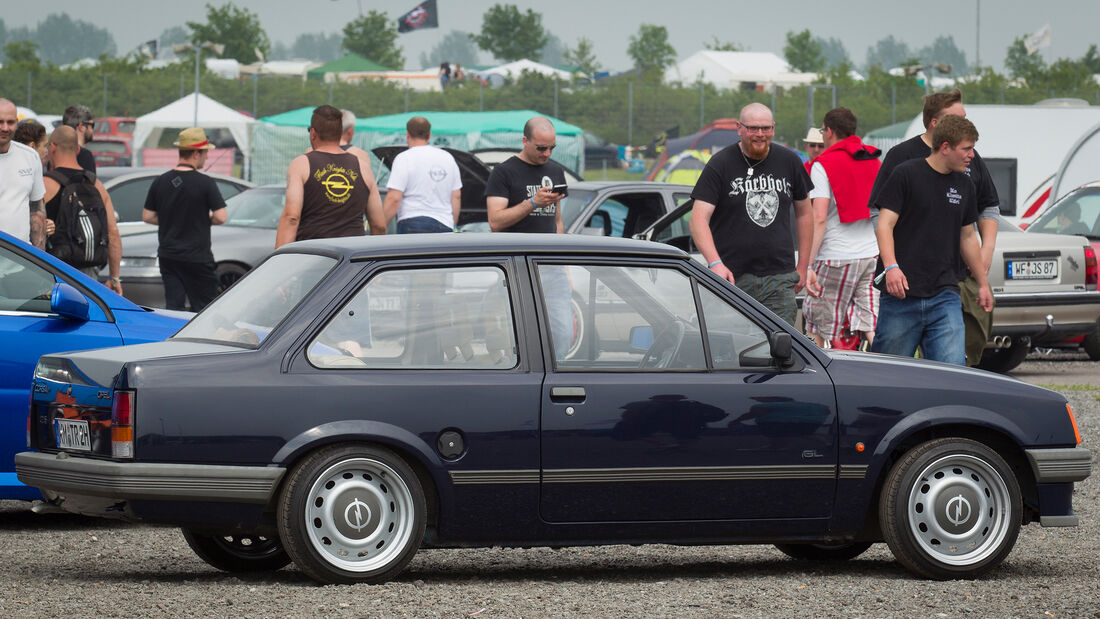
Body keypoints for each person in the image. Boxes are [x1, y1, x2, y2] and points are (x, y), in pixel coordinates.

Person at [869, 89, 999, 367]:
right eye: (966, 149)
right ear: (945, 146)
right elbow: (883, 222)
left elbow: (967, 235)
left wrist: (983, 282)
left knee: (953, 373)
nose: (972, 156)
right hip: (901, 294)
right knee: (888, 374)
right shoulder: (904, 170)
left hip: (945, 293)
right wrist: (891, 267)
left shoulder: (965, 183)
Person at [689, 102, 814, 326]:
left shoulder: (790, 161)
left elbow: (805, 213)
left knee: (780, 347)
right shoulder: (720, 164)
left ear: (773, 128)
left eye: (765, 128)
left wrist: (804, 265)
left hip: (779, 277)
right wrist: (715, 264)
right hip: (732, 277)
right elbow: (698, 219)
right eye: (752, 128)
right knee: (730, 344)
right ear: (739, 128)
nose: (759, 134)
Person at [484, 116, 571, 356]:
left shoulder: (555, 171)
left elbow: (557, 221)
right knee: (517, 337)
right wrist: (533, 202)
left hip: (551, 268)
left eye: (552, 147)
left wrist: (564, 265)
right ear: (525, 141)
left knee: (562, 333)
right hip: (516, 267)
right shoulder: (504, 172)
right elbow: (495, 221)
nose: (547, 153)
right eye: (541, 147)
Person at [803, 107, 881, 349]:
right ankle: (890, 369)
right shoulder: (873, 160)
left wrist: (808, 264)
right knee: (870, 323)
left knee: (818, 324)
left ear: (829, 131)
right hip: (871, 254)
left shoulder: (822, 164)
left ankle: (818, 381)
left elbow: (819, 218)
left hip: (836, 256)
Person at [141, 128, 227, 311]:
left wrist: (169, 219)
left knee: (173, 306)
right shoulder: (206, 183)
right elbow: (221, 216)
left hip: (168, 256)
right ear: (196, 153)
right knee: (204, 308)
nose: (207, 157)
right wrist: (203, 219)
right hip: (197, 257)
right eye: (205, 153)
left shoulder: (160, 181)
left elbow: (147, 216)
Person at [276, 105, 385, 248]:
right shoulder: (363, 167)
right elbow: (379, 225)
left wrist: (278, 260)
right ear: (340, 133)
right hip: (352, 260)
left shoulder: (301, 164)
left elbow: (291, 217)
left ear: (313, 133)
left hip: (313, 255)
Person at [43, 126, 122, 292]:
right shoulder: (96, 184)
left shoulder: (46, 184)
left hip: (53, 269)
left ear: (52, 147)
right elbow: (113, 232)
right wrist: (114, 278)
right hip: (89, 271)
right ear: (78, 149)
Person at [383, 116, 461, 233]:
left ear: (407, 134)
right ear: (429, 135)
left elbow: (394, 198)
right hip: (445, 224)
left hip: (411, 222)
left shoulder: (404, 158)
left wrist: (379, 228)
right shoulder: (448, 158)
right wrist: (453, 224)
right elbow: (456, 196)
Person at [0, 98, 47, 248]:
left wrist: (41, 260)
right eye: (0, 122)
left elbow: (37, 209)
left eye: (10, 122)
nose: (5, 128)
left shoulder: (30, 156)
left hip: (20, 263)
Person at [60, 104, 97, 174]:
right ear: (82, 127)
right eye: (92, 125)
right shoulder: (85, 156)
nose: (93, 130)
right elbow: (90, 184)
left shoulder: (55, 152)